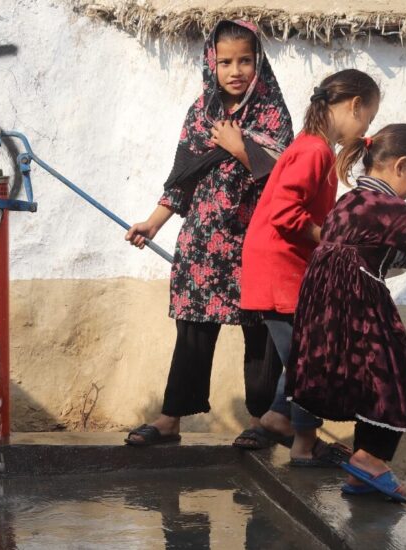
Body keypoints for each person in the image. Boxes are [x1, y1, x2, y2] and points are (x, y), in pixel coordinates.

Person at [124, 19, 293, 445]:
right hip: (202, 244)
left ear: (259, 63)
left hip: (254, 244)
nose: (235, 70)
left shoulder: (272, 111)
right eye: (225, 62)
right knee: (193, 332)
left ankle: (260, 422)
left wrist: (241, 148)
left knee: (260, 336)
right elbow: (181, 180)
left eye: (245, 61)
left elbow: (287, 179)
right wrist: (152, 223)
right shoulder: (200, 112)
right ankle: (170, 419)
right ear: (210, 64)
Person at [237, 69, 381, 465]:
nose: (366, 126)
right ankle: (298, 440)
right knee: (312, 359)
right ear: (354, 106)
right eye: (367, 118)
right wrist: (329, 241)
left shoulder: (313, 147)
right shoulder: (314, 151)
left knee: (305, 354)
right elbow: (286, 213)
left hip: (283, 269)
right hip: (280, 271)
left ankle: (284, 422)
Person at [287, 124, 406, 503]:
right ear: (401, 166)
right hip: (360, 303)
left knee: (373, 381)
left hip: (323, 309)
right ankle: (369, 459)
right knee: (404, 375)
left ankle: (363, 476)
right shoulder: (391, 208)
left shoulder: (348, 202)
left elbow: (376, 248)